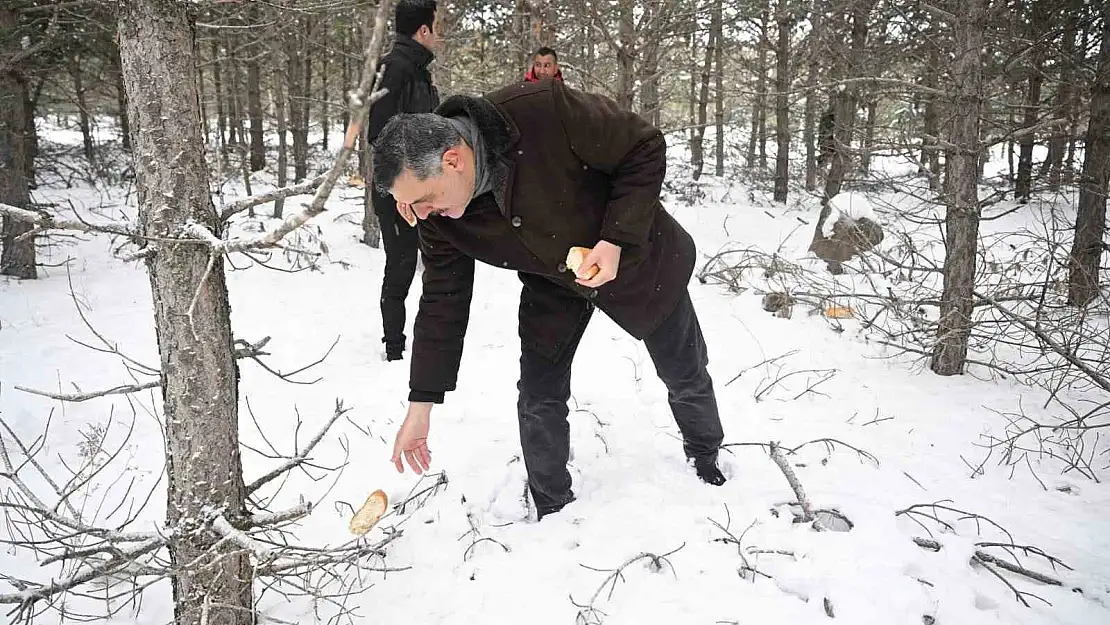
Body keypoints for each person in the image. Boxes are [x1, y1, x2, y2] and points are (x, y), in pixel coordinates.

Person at [370, 78, 727, 521]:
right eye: (409, 206)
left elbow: (643, 146)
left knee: (683, 370)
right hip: (551, 280)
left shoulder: (542, 111)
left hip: (636, 258)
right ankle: (552, 506)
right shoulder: (438, 215)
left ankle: (706, 457)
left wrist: (615, 240)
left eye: (422, 201)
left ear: (453, 160)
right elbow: (442, 300)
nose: (418, 215)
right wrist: (420, 406)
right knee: (538, 395)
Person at [366, 0, 443, 361]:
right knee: (400, 265)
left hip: (425, 191)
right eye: (436, 27)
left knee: (434, 263)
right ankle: (393, 348)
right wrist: (400, 189)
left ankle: (431, 341)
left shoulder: (419, 70)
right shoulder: (394, 68)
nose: (438, 36)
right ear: (423, 31)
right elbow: (377, 135)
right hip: (396, 192)